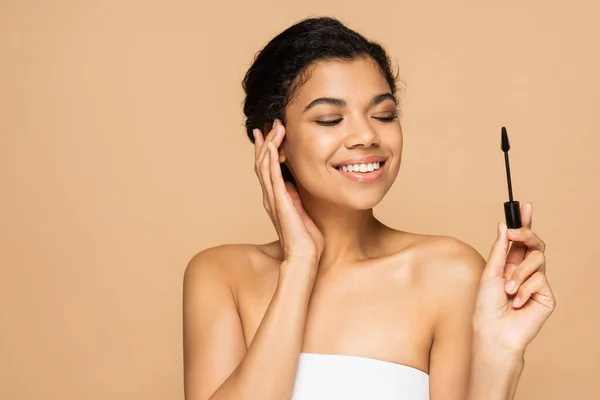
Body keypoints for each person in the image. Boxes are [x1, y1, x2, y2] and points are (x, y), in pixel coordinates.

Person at [183, 16, 556, 400]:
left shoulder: (449, 273)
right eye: (330, 119)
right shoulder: (220, 276)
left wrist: (501, 355)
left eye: (384, 115)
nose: (366, 136)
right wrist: (299, 264)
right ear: (274, 144)